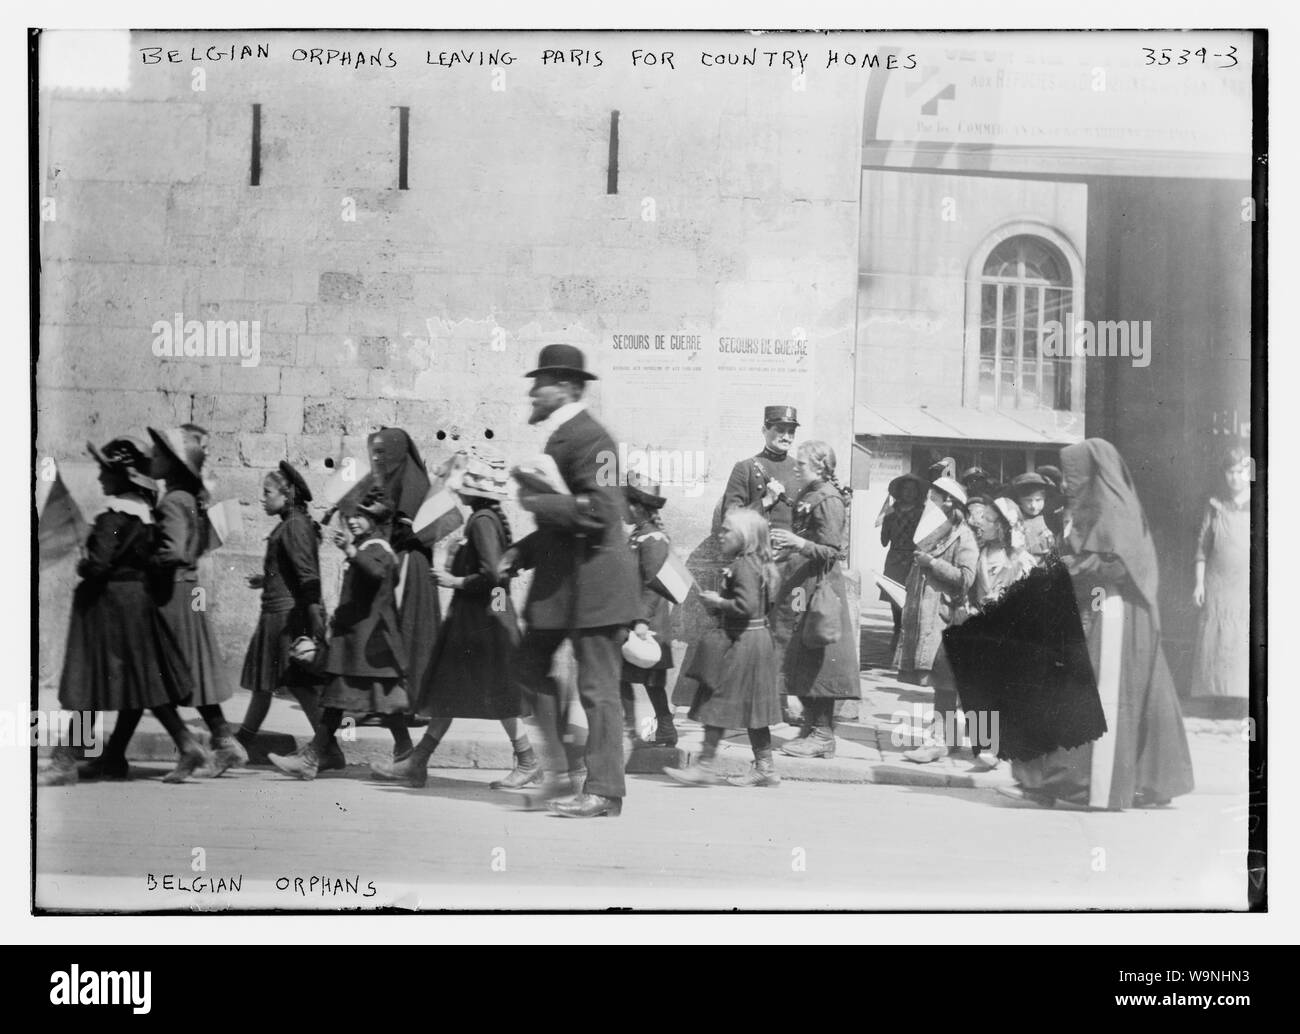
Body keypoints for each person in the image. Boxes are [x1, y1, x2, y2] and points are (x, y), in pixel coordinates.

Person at [1002, 438, 1195, 810]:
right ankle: (1063, 781)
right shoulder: (1089, 506)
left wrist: (1068, 568)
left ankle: (1078, 784)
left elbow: (1117, 566)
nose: (1066, 482)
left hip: (1111, 612)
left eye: (1072, 472)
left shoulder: (1113, 509)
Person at [499, 344, 641, 818]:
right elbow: (564, 524)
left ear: (566, 387)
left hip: (596, 586)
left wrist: (537, 503)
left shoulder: (594, 438)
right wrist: (521, 552)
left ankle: (604, 791)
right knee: (527, 667)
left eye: (539, 383)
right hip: (564, 588)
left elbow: (601, 512)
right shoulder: (562, 436)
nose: (532, 393)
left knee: (598, 690)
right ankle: (564, 771)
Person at [39, 438, 210, 786]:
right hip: (136, 603)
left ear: (122, 476)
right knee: (141, 682)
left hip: (108, 608)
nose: (101, 478)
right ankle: (178, 744)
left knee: (89, 680)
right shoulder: (144, 518)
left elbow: (100, 564)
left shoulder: (113, 517)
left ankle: (64, 760)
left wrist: (85, 562)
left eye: (106, 471)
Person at [370, 446, 537, 788]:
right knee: (449, 690)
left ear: (476, 489)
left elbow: (493, 574)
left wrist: (454, 581)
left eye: (463, 479)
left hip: (482, 624)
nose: (455, 484)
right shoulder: (485, 519)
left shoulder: (481, 522)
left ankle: (528, 761)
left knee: (496, 692)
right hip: (480, 619)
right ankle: (418, 762)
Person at [269, 488, 409, 779]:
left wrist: (351, 551)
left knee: (358, 702)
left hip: (369, 645)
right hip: (359, 644)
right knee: (372, 703)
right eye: (351, 516)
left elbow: (375, 573)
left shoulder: (378, 548)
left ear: (377, 520)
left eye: (362, 516)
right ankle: (407, 759)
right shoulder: (367, 546)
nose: (354, 521)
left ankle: (313, 758)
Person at [903, 496, 1035, 765]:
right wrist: (963, 606)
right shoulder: (979, 551)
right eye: (981, 517)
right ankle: (942, 739)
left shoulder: (1021, 560)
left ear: (1003, 526)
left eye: (988, 519)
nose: (980, 522)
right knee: (945, 675)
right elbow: (966, 586)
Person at [146, 425, 246, 779]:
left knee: (154, 674)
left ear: (173, 466)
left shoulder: (173, 501)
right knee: (191, 670)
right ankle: (224, 740)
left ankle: (194, 747)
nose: (152, 460)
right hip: (188, 590)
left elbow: (171, 551)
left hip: (171, 593)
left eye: (158, 456)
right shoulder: (188, 499)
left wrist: (146, 560)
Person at [664, 509, 782, 787]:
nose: (721, 534)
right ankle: (764, 766)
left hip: (742, 643)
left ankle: (704, 766)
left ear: (744, 535)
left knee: (715, 700)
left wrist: (718, 601)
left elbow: (747, 606)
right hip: (756, 640)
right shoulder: (757, 562)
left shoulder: (743, 565)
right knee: (752, 706)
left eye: (727, 529)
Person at [234, 462, 338, 768]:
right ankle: (241, 743)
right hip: (277, 615)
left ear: (287, 493)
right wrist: (266, 580)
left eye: (267, 492)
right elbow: (293, 572)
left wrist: (316, 622)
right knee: (271, 684)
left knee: (294, 684)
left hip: (285, 618)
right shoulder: (290, 523)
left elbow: (308, 577)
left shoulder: (293, 525)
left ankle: (327, 748)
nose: (262, 499)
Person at [774, 441, 859, 759]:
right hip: (802, 586)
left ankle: (822, 734)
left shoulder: (828, 498)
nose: (796, 467)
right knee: (800, 656)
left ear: (821, 467)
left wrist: (797, 542)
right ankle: (812, 728)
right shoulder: (811, 493)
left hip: (819, 589)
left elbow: (833, 550)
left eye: (802, 464)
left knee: (818, 660)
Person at [719, 406, 803, 720]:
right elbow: (731, 517)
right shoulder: (746, 468)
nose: (786, 436)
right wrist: (765, 500)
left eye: (791, 430)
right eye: (779, 429)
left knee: (789, 631)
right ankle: (749, 701)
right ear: (765, 429)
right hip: (758, 566)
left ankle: (785, 698)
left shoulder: (799, 469)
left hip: (792, 566)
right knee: (753, 631)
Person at [366, 427, 441, 735]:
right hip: (398, 563)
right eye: (374, 451)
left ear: (397, 451)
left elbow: (411, 530)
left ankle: (414, 704)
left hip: (411, 567)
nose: (376, 457)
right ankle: (395, 703)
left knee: (411, 633)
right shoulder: (391, 480)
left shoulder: (413, 482)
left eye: (382, 451)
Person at [896, 476, 978, 686]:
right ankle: (939, 719)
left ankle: (944, 719)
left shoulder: (964, 536)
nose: (928, 503)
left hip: (943, 613)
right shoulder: (935, 530)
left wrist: (932, 563)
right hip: (923, 613)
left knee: (944, 676)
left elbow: (966, 578)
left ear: (949, 501)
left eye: (934, 498)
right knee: (938, 679)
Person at [1190, 446, 1251, 717]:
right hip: (1217, 583)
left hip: (1246, 584)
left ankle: (1243, 698)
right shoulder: (1214, 506)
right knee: (1218, 640)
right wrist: (1199, 584)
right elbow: (1202, 548)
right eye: (1230, 472)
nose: (1235, 477)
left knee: (1243, 638)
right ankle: (1219, 696)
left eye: (1241, 471)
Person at [619, 474, 679, 748]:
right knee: (626, 676)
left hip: (648, 622)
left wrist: (641, 620)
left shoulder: (652, 539)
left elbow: (653, 583)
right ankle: (632, 728)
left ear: (637, 507)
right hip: (636, 618)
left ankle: (657, 728)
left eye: (626, 505)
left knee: (650, 681)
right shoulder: (639, 535)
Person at [879, 472, 927, 652]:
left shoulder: (922, 512)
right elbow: (884, 540)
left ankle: (910, 636)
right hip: (895, 558)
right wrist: (886, 520)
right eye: (905, 489)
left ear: (917, 493)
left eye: (912, 490)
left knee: (913, 598)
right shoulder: (892, 511)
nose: (908, 493)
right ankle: (897, 630)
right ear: (900, 491)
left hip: (913, 558)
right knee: (895, 598)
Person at [1008, 471, 1058, 562]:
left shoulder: (1050, 520)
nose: (1033, 506)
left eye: (1038, 500)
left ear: (1045, 499)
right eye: (1028, 500)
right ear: (1019, 500)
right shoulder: (1014, 521)